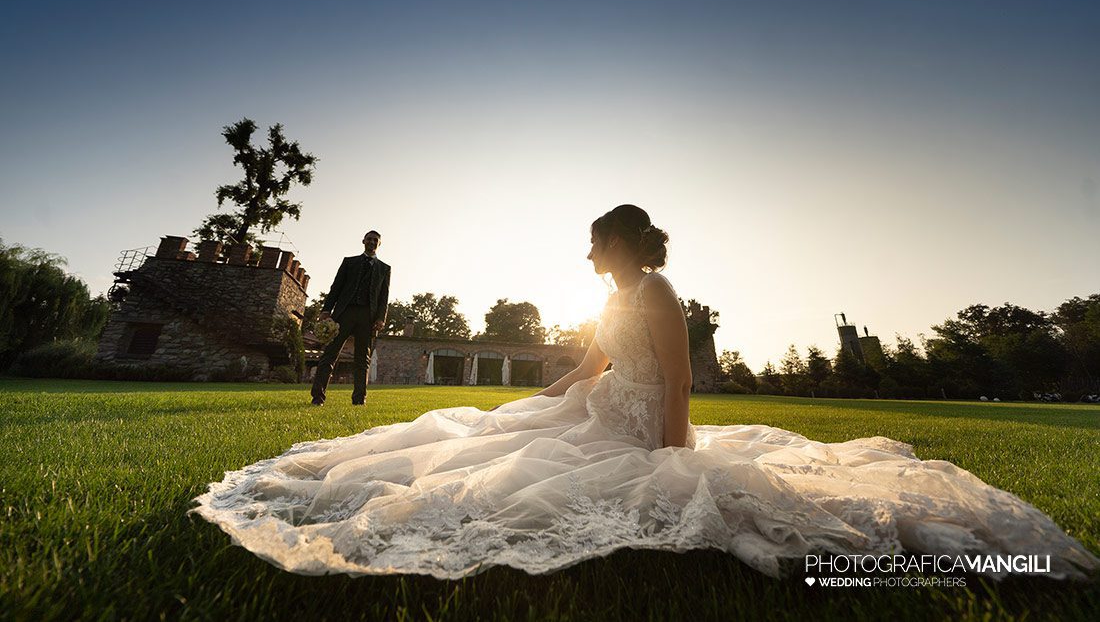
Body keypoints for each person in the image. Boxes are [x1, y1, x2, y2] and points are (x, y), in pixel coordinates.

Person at [195, 206, 1098, 580]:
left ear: (624, 245)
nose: (587, 257)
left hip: (638, 425)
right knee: (484, 440)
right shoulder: (615, 295)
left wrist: (673, 457)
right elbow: (595, 359)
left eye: (595, 245)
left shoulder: (661, 294)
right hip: (594, 407)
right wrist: (559, 384)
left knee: (527, 486)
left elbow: (676, 379)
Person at [309, 230, 390, 406]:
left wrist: (381, 318)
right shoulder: (349, 262)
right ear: (363, 241)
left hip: (367, 317)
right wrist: (326, 310)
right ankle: (317, 397)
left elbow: (384, 297)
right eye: (369, 239)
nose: (372, 242)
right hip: (344, 313)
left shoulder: (385, 269)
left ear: (379, 244)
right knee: (330, 355)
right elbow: (336, 287)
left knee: (363, 360)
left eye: (375, 240)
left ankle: (359, 399)